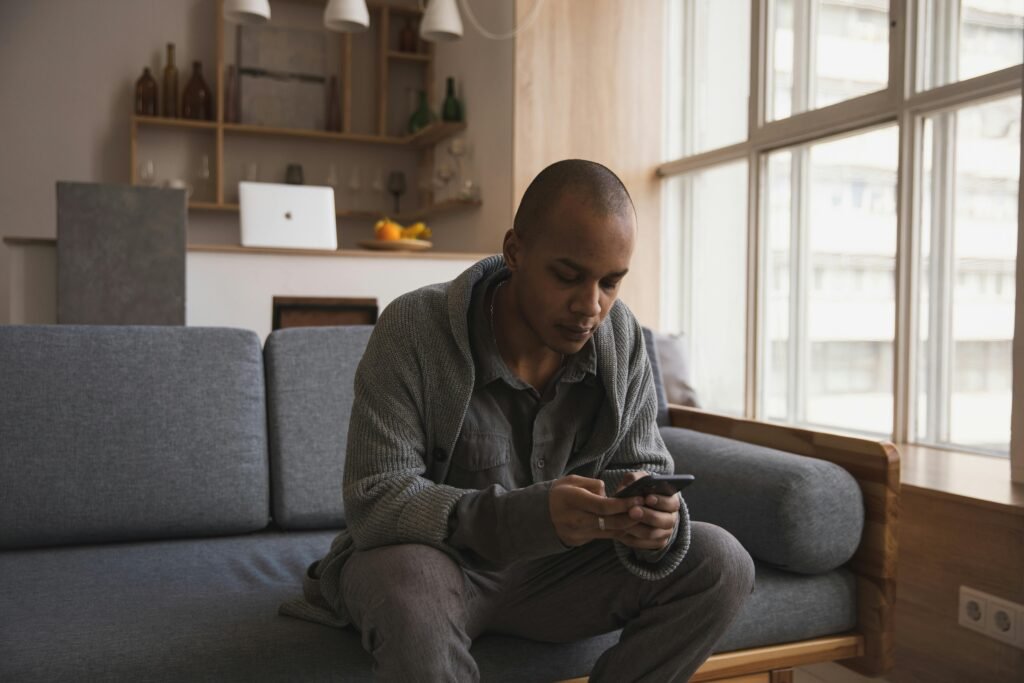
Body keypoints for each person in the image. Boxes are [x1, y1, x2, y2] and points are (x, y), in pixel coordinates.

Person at [287, 159, 755, 681]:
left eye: (611, 283)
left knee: (723, 562)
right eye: (568, 276)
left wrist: (654, 521)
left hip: (555, 576)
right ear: (515, 252)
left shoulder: (620, 337)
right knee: (409, 585)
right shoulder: (414, 328)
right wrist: (528, 516)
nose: (590, 306)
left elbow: (640, 464)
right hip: (437, 565)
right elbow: (376, 498)